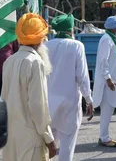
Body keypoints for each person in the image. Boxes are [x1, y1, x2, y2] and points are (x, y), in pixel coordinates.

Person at [1, 13, 56, 161]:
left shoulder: (9, 61)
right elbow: (38, 106)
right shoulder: (35, 63)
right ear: (40, 39)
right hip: (30, 138)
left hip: (10, 137)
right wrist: (49, 139)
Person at [46, 14, 94, 160]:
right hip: (69, 103)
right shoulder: (77, 46)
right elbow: (82, 76)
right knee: (67, 145)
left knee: (47, 146)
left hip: (48, 103)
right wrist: (89, 99)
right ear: (70, 30)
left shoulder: (45, 46)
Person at [93, 16, 116, 147]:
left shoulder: (114, 40)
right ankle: (104, 138)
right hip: (108, 83)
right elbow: (103, 61)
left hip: (113, 81)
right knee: (107, 110)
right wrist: (108, 79)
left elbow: (114, 61)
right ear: (114, 28)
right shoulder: (106, 40)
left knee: (110, 109)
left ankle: (104, 136)